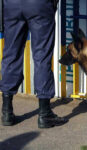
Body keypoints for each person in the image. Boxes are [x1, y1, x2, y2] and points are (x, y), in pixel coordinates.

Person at [0, 0, 68, 128]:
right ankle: (44, 114)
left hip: (12, 4)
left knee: (11, 54)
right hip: (38, 5)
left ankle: (7, 113)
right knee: (42, 56)